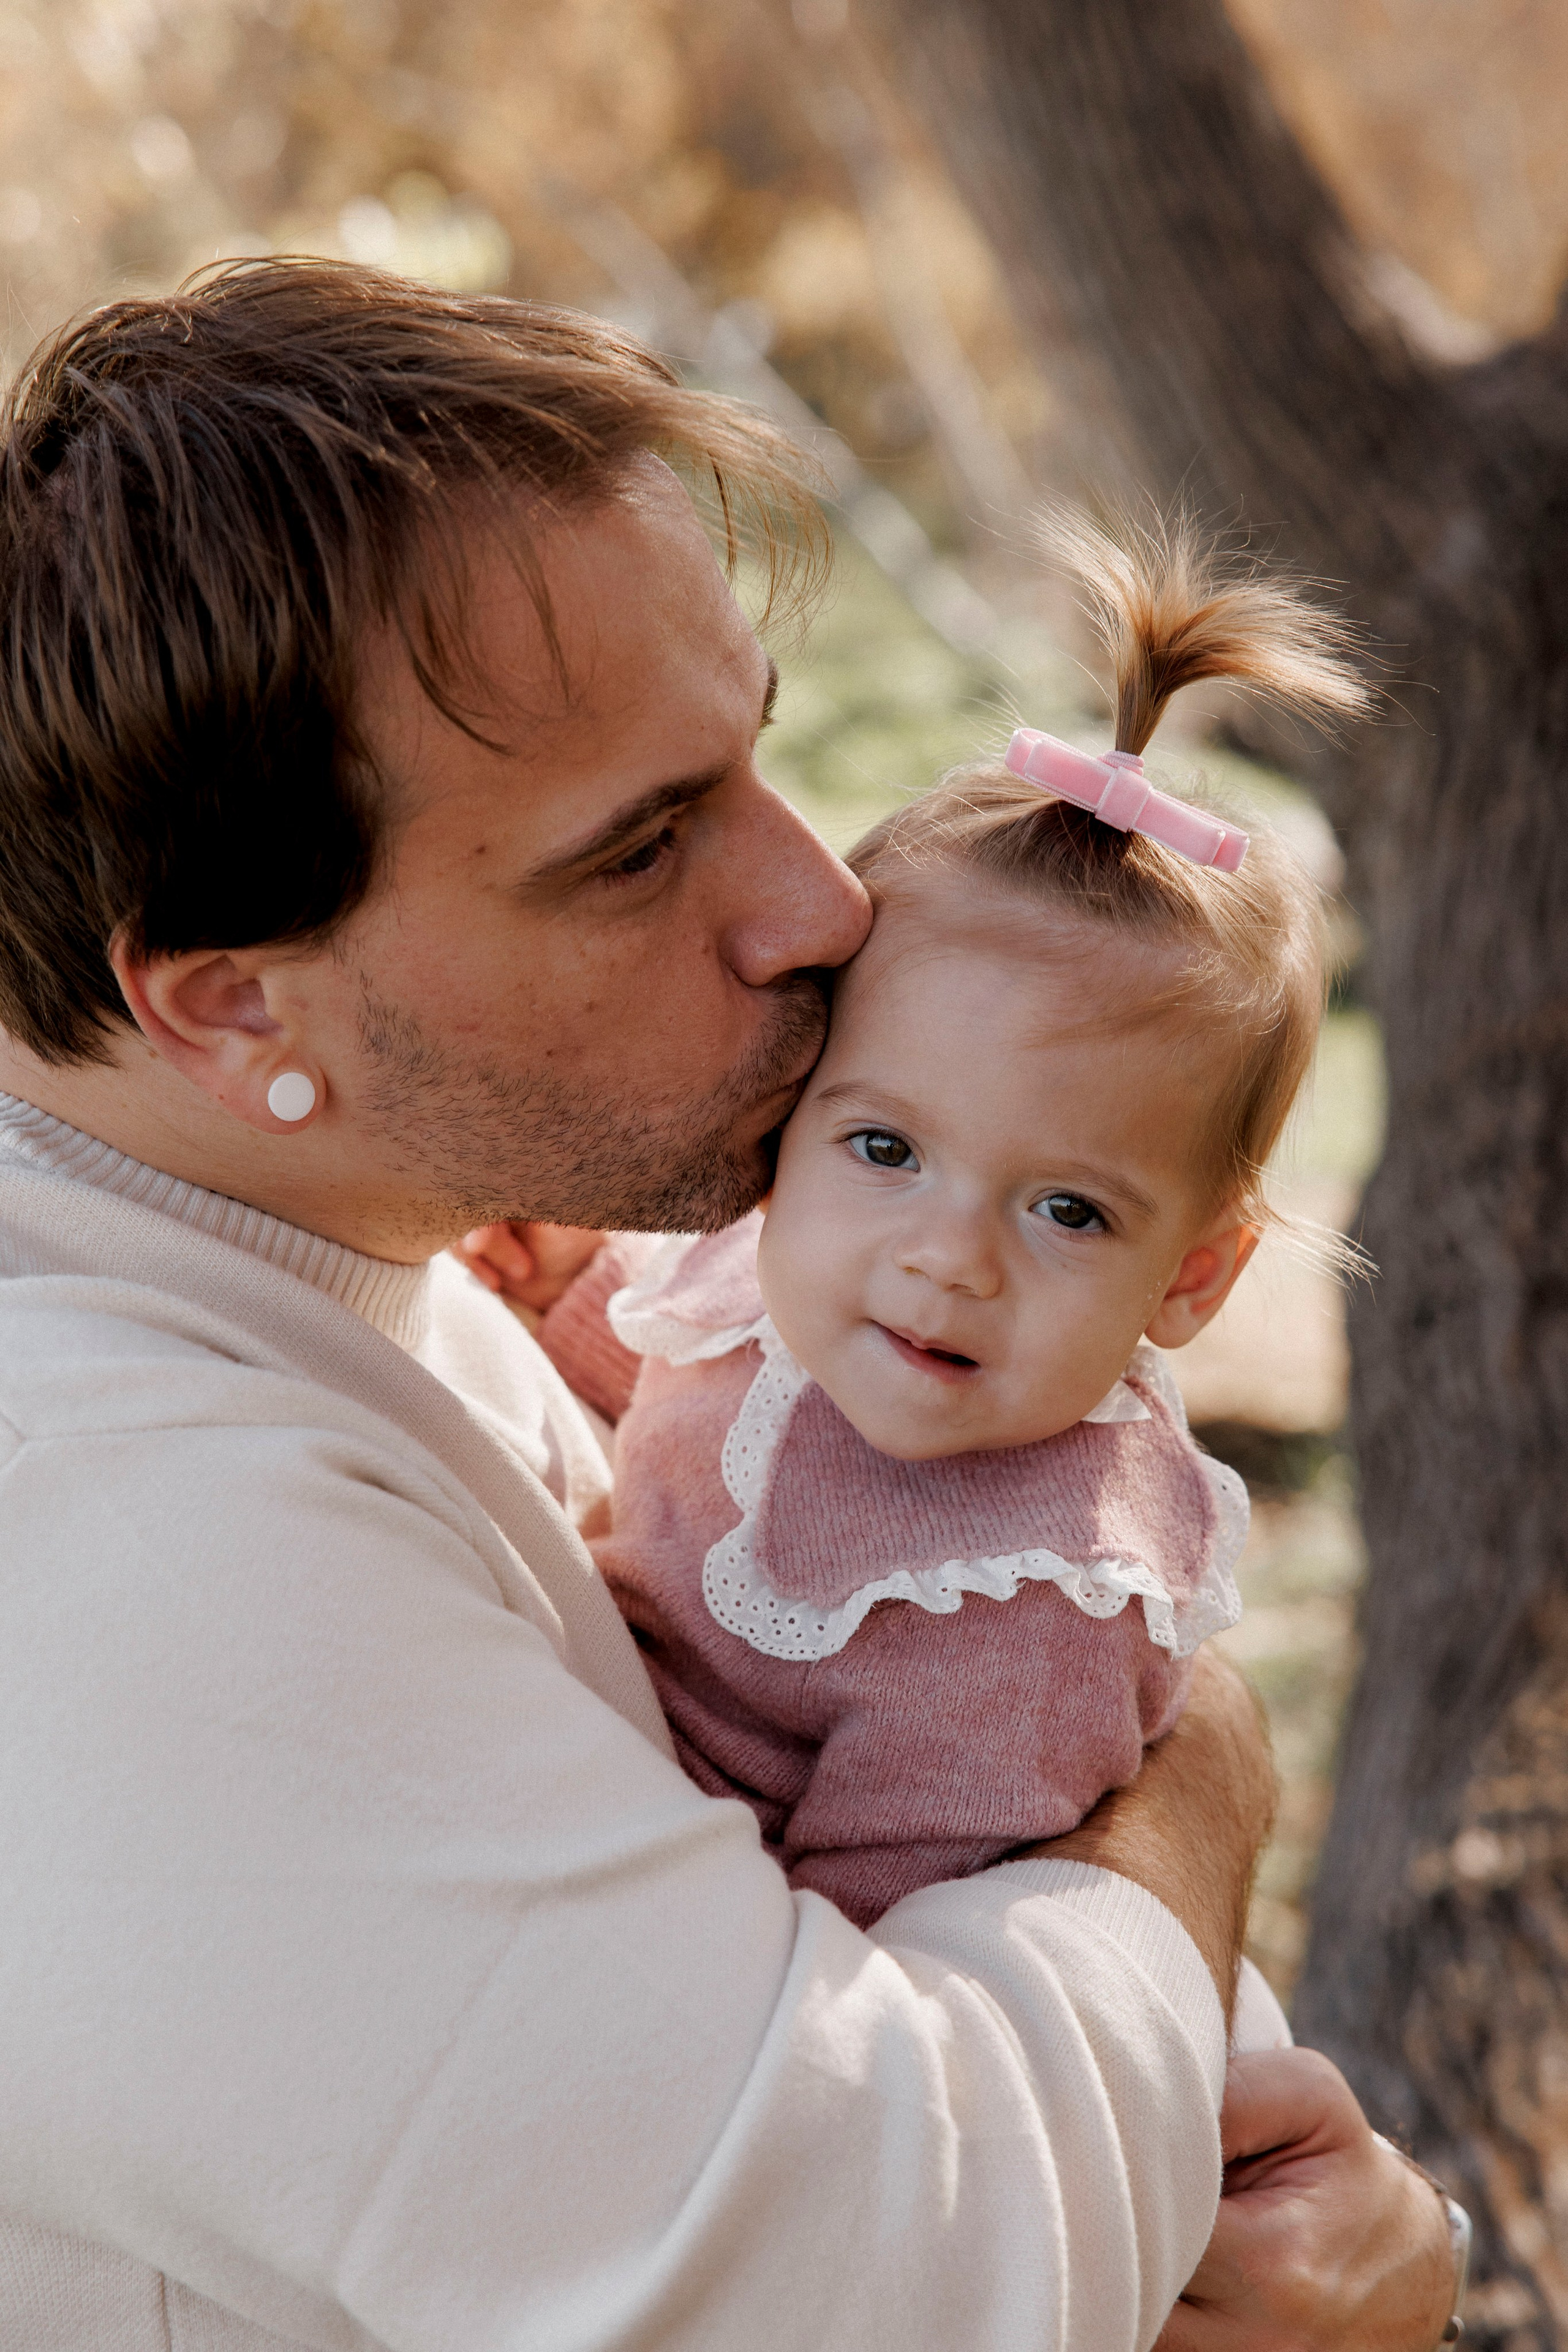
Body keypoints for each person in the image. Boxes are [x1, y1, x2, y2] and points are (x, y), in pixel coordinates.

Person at [0, 260, 1455, 2350]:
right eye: (638, 851)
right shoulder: (110, 1546)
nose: (822, 902)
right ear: (236, 1003)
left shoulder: (357, 1259)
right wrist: (1202, 1774)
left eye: (753, 761)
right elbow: (891, 2274)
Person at [524, 510, 1363, 1942]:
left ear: (1196, 1275)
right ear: (793, 1120)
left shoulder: (1029, 1614)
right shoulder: (800, 1270)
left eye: (1066, 1210)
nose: (947, 1255)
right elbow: (678, 1371)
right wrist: (554, 1288)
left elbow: (870, 1966)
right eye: (885, 1146)